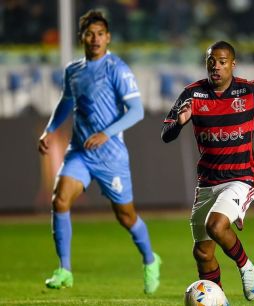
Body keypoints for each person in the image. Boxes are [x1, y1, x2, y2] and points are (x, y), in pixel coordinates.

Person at [161, 40, 254, 301]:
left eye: (222, 62)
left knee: (216, 226)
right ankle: (221, 299)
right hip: (207, 181)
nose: (216, 67)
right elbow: (166, 135)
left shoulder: (250, 91)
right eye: (211, 62)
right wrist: (179, 122)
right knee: (203, 253)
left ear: (233, 64)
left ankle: (245, 266)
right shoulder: (192, 94)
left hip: (242, 177)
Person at [38, 10, 161, 294]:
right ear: (82, 37)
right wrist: (50, 129)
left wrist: (106, 133)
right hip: (79, 152)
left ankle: (150, 260)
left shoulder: (117, 69)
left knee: (126, 216)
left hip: (111, 156)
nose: (95, 39)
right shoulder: (73, 70)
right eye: (90, 33)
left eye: (100, 34)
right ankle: (64, 270)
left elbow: (137, 111)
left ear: (108, 38)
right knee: (59, 200)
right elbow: (66, 103)